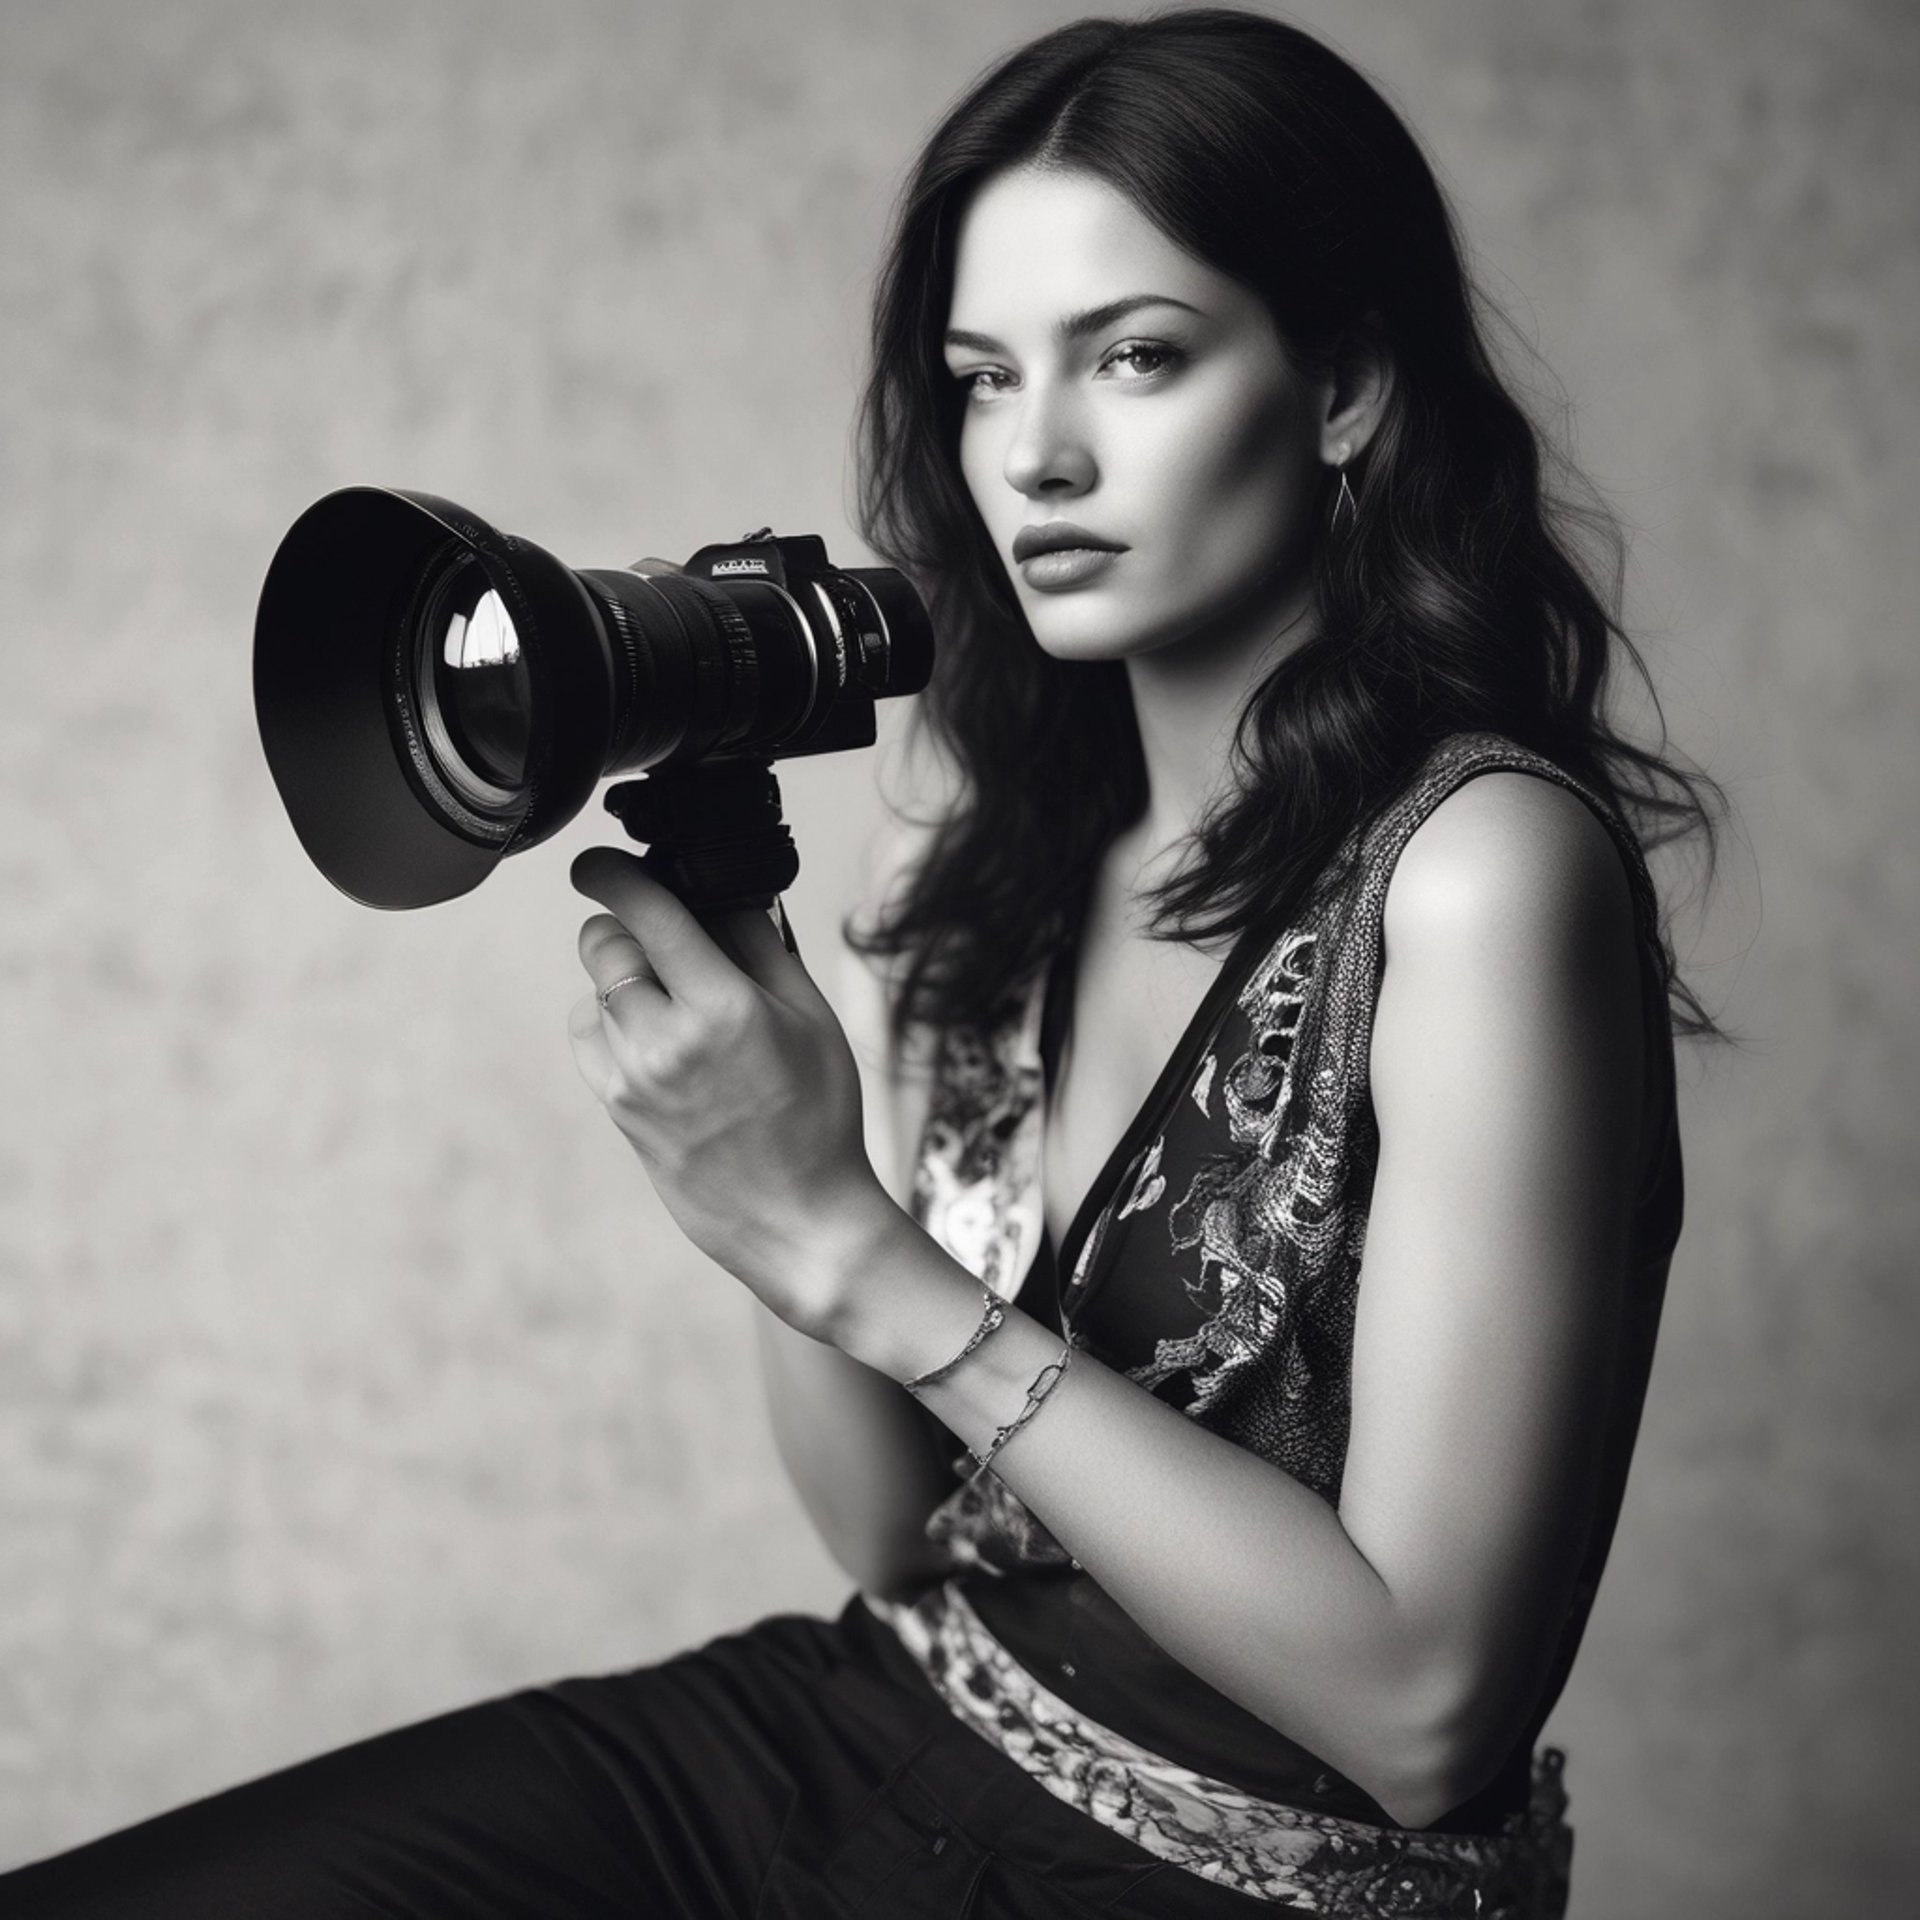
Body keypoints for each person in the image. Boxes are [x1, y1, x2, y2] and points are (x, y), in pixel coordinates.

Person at [6, 10, 1725, 1917]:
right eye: (983, 379)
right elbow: (901, 1542)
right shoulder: (1007, 850)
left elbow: (1427, 1711)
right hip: (866, 1726)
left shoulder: (1478, 875)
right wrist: (763, 1195)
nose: (1037, 455)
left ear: (1345, 388)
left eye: (1136, 356)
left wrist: (862, 1254)